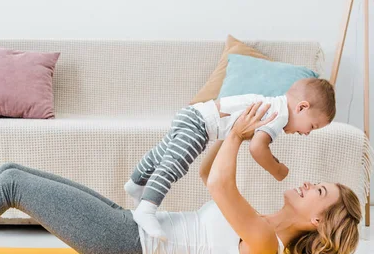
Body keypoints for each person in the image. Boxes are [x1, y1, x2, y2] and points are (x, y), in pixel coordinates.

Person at [0, 102, 361, 254]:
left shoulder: (266, 245)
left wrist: (242, 135)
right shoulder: (264, 224)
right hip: (129, 227)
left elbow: (224, 180)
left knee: (15, 184)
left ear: (318, 220)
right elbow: (209, 178)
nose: (311, 183)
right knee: (13, 168)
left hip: (127, 247)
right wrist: (222, 130)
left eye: (322, 192)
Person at [124, 78, 336, 239]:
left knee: (161, 154)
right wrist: (277, 169)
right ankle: (147, 208)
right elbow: (257, 147)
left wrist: (234, 135)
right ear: (302, 107)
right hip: (201, 126)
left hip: (193, 115)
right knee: (174, 165)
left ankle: (136, 182)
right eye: (313, 126)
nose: (308, 133)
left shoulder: (272, 105)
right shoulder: (279, 116)